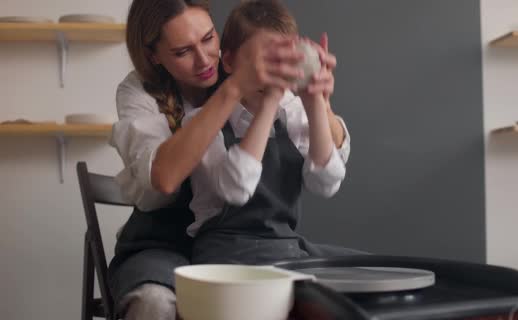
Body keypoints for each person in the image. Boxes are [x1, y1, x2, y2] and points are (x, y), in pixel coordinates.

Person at [108, 0, 317, 319]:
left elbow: (308, 124)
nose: (205, 60)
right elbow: (164, 179)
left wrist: (319, 95)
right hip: (162, 242)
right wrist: (231, 90)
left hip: (238, 246)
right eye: (182, 52)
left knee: (341, 288)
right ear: (154, 56)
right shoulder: (139, 92)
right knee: (154, 303)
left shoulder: (240, 63)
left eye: (208, 39)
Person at [182, 0, 356, 266]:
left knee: (383, 270)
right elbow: (236, 189)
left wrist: (315, 103)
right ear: (228, 61)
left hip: (285, 249)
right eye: (264, 61)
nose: (272, 72)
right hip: (223, 254)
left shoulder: (294, 113)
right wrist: (270, 103)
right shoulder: (202, 122)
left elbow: (326, 183)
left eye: (282, 61)